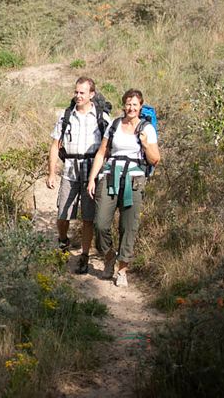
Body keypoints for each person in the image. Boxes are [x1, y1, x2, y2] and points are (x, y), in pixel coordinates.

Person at [87, 89, 161, 287]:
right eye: (128, 104)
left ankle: (122, 270)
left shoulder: (147, 129)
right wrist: (92, 178)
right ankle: (109, 255)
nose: (131, 108)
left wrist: (145, 144)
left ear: (141, 106)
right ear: (123, 105)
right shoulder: (115, 124)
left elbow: (155, 160)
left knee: (128, 227)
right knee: (100, 223)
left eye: (135, 105)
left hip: (134, 180)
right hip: (110, 176)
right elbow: (102, 152)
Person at [47, 77, 110, 274]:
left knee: (88, 218)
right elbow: (55, 146)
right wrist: (51, 172)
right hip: (70, 171)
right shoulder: (66, 116)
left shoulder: (102, 118)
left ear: (92, 94)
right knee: (62, 214)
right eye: (76, 92)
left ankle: (84, 255)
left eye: (82, 92)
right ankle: (63, 240)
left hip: (93, 173)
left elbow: (109, 147)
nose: (78, 96)